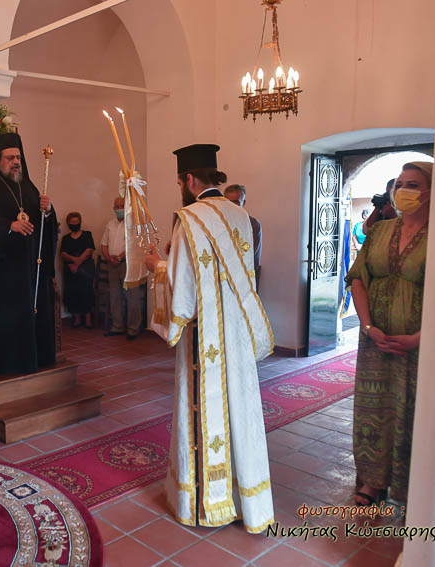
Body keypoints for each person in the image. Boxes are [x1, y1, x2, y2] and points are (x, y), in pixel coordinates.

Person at [144, 144, 274, 533]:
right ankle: (245, 498)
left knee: (205, 408)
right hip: (235, 330)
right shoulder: (241, 214)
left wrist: (157, 266)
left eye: (179, 182)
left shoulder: (189, 218)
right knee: (239, 407)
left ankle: (205, 503)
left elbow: (182, 290)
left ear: (188, 180)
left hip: (204, 336)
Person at [345, 162, 431, 506]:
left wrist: (420, 338)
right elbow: (357, 278)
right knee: (374, 407)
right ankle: (372, 480)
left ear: (431, 191)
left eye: (414, 184)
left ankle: (411, 488)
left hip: (421, 345)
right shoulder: (379, 231)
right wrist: (368, 327)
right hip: (375, 342)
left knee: (412, 411)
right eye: (400, 184)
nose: (403, 190)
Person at [0, 133, 57, 375]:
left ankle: (37, 358)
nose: (16, 162)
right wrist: (9, 226)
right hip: (4, 271)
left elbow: (44, 224)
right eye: (10, 158)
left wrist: (48, 210)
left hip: (30, 267)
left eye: (18, 157)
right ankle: (9, 364)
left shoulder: (27, 186)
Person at [101, 197, 144, 340]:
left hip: (128, 264)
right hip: (112, 264)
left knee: (132, 296)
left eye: (122, 206)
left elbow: (133, 244)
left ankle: (133, 329)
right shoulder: (110, 224)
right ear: (114, 208)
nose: (119, 209)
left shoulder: (133, 224)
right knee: (115, 296)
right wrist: (109, 258)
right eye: (117, 206)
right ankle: (117, 326)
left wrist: (119, 257)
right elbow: (103, 244)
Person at [59, 212, 95, 328]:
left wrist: (78, 262)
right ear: (68, 223)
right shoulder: (65, 238)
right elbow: (63, 254)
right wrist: (73, 261)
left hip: (85, 268)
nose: (74, 224)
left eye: (76, 222)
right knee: (72, 292)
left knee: (86, 291)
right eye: (72, 222)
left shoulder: (87, 234)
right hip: (70, 268)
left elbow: (89, 249)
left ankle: (88, 319)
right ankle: (77, 318)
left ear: (80, 222)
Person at [223, 184, 263, 287]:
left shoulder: (253, 225)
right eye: (229, 202)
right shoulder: (218, 223)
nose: (232, 206)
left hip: (244, 278)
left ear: (243, 202)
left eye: (236, 202)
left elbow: (253, 258)